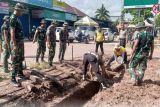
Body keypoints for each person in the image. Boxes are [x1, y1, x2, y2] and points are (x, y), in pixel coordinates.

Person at [10, 3, 25, 87]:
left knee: (20, 59)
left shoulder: (17, 18)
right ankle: (12, 79)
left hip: (20, 43)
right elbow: (12, 32)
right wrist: (15, 45)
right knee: (15, 60)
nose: (22, 13)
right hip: (16, 43)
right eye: (21, 11)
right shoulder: (13, 18)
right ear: (18, 10)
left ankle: (19, 73)